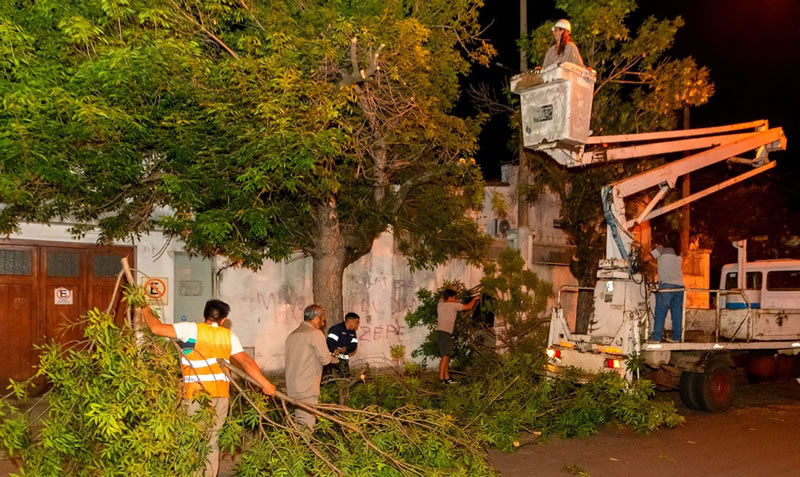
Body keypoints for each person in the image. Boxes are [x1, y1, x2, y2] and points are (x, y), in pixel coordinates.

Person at [141, 299, 276, 477]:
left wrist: (144, 308)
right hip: (220, 397)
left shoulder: (190, 329)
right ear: (223, 320)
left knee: (191, 441)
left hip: (196, 396)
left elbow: (156, 328)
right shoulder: (228, 336)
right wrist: (266, 384)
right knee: (211, 442)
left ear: (204, 314)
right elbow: (246, 361)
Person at [285, 304, 337, 430]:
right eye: (322, 320)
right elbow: (325, 360)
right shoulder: (315, 334)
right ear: (316, 318)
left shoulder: (292, 335)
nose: (323, 324)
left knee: (299, 422)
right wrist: (336, 358)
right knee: (307, 425)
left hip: (292, 387)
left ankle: (296, 442)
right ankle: (303, 443)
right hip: (307, 387)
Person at [436, 289, 478, 385]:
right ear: (450, 297)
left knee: (446, 355)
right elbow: (469, 306)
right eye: (454, 297)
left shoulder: (440, 304)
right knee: (445, 356)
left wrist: (452, 290)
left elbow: (442, 297)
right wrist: (475, 299)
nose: (455, 299)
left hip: (441, 332)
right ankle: (442, 379)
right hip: (445, 332)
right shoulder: (453, 305)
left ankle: (446, 377)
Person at [649, 233, 685, 343]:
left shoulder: (661, 249)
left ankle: (656, 337)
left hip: (666, 286)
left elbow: (646, 258)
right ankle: (677, 338)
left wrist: (646, 260)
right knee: (677, 313)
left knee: (660, 311)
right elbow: (669, 268)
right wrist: (655, 265)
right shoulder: (679, 252)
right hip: (679, 287)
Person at [325, 312, 360, 376]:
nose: (357, 325)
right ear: (350, 321)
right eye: (356, 322)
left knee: (345, 377)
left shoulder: (352, 332)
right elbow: (329, 342)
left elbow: (354, 345)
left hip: (344, 360)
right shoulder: (336, 329)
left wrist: (346, 349)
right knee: (334, 378)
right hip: (333, 360)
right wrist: (335, 349)